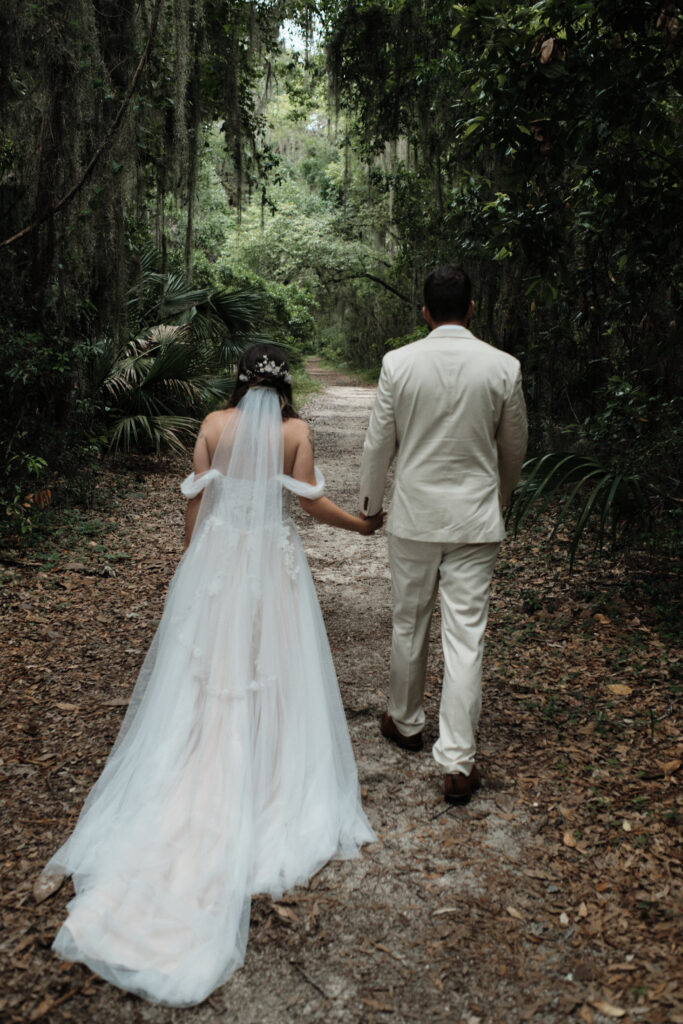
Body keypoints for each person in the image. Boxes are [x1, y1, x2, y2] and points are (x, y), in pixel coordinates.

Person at [39, 343, 381, 1006]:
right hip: (271, 564)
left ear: (238, 380)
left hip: (222, 561)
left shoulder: (212, 426)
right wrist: (363, 528)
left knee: (208, 674)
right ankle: (266, 767)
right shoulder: (294, 432)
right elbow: (309, 506)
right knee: (273, 667)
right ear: (283, 388)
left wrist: (193, 562)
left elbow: (194, 502)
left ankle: (204, 761)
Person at [359, 266, 528, 805]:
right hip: (476, 519)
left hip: (413, 517)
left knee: (409, 620)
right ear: (472, 308)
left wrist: (370, 505)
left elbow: (378, 443)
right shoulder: (503, 367)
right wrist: (498, 500)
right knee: (466, 634)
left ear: (426, 312)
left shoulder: (398, 363)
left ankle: (406, 722)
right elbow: (513, 448)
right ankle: (457, 760)